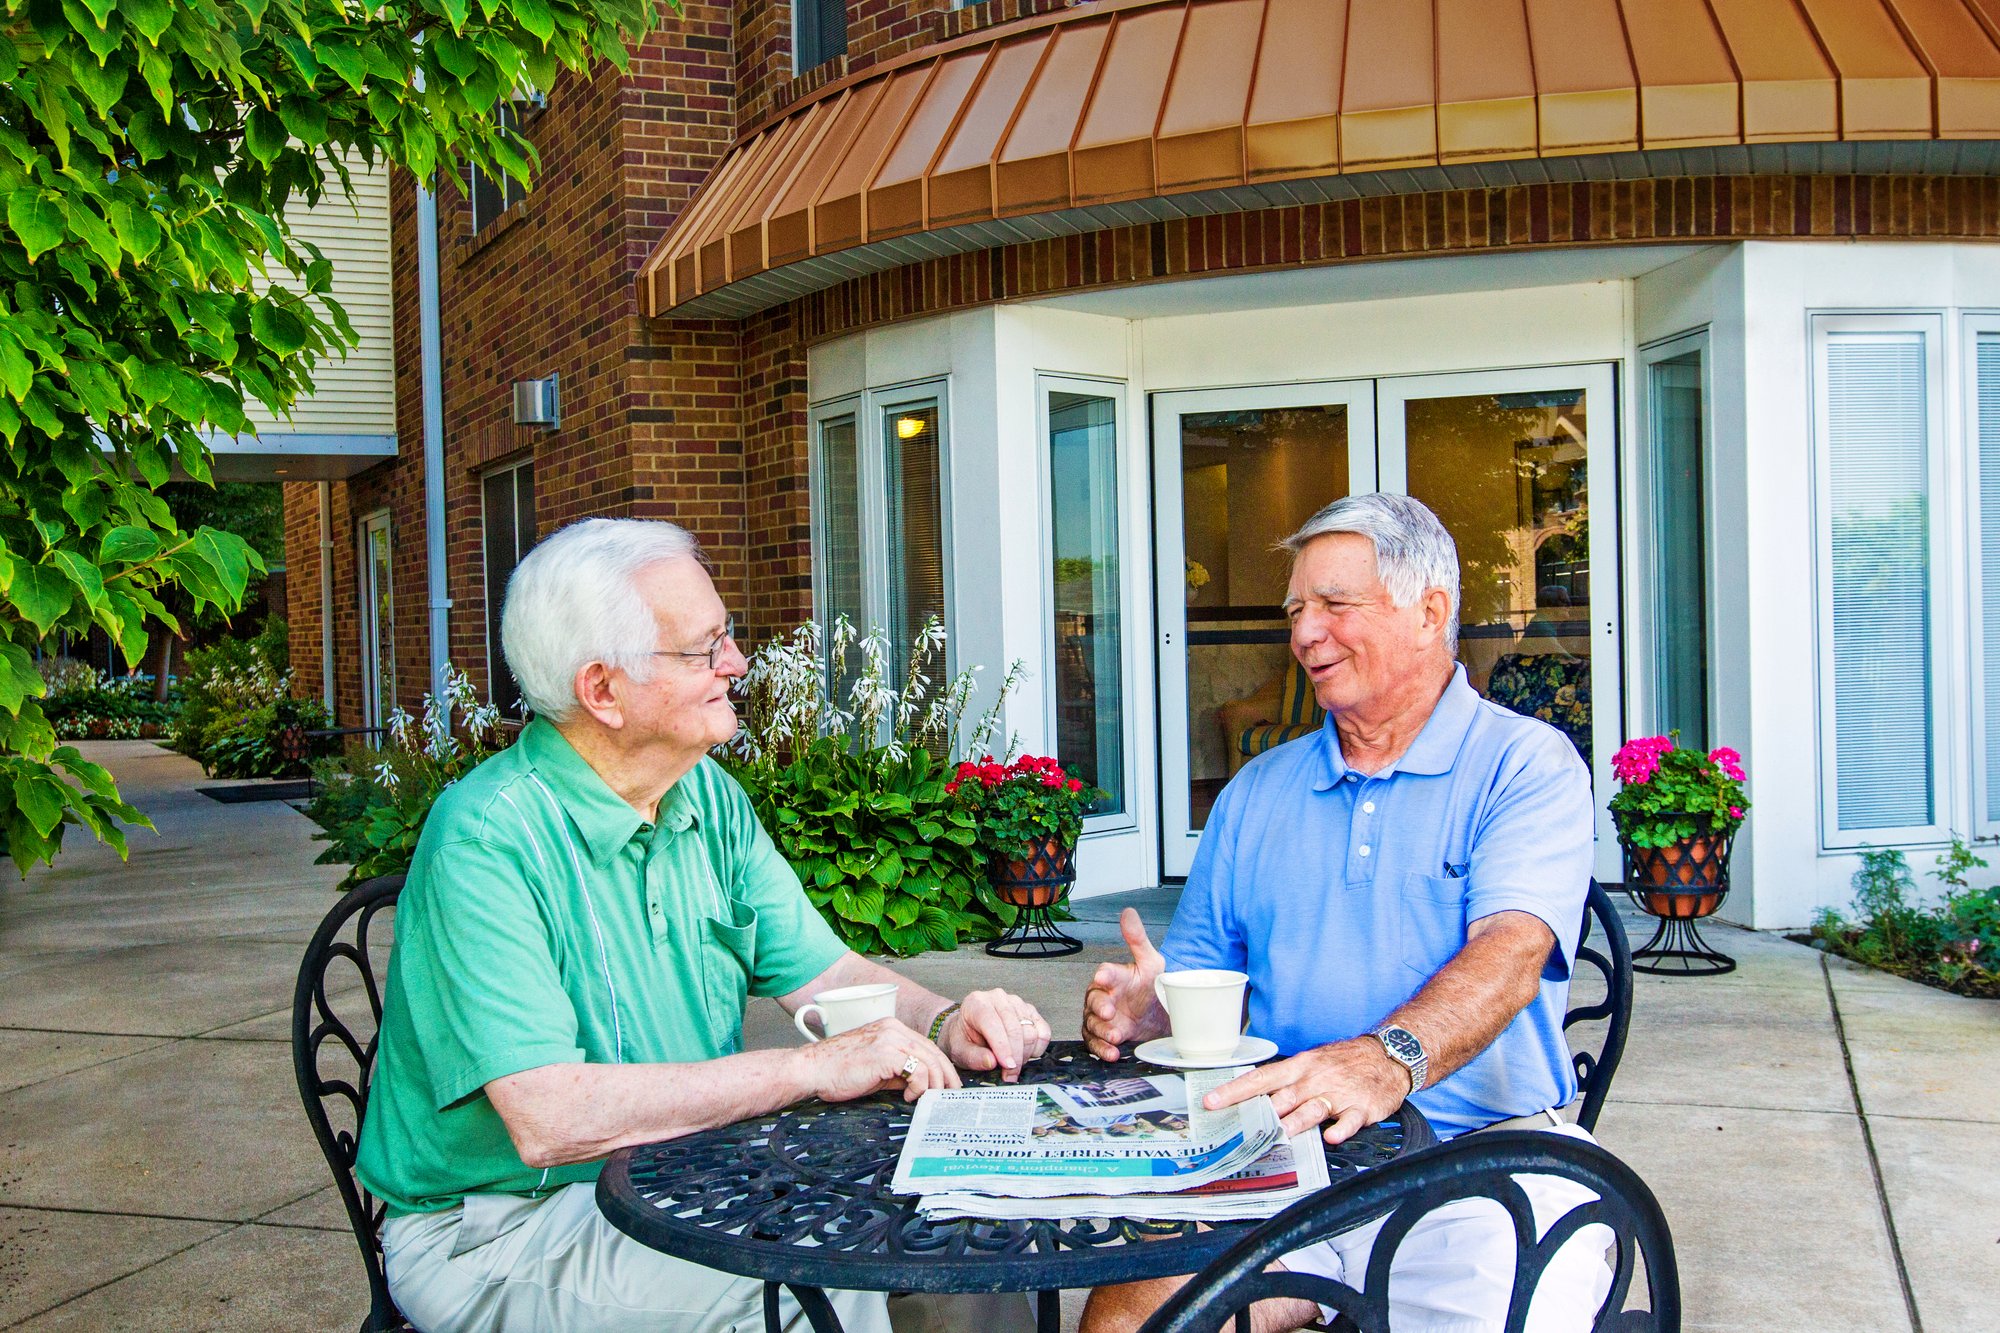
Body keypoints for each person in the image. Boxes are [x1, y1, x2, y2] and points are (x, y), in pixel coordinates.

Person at [355, 518, 1050, 1333]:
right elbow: (550, 1119)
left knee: (973, 1227)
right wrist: (810, 1069)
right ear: (602, 689)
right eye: (704, 647)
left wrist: (942, 1020)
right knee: (822, 1283)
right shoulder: (489, 838)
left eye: (728, 637)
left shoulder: (706, 797)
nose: (737, 663)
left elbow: (825, 975)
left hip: (687, 1183)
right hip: (504, 1230)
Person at [1079, 494, 1613, 1333]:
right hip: (1280, 1154)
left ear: (1430, 611)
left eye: (1335, 605)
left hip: (1478, 1164)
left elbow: (1513, 950)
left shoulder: (1524, 764)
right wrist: (1157, 1007)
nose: (1304, 634)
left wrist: (1387, 1056)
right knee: (1133, 1323)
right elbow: (1201, 974)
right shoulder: (1257, 790)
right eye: (1296, 610)